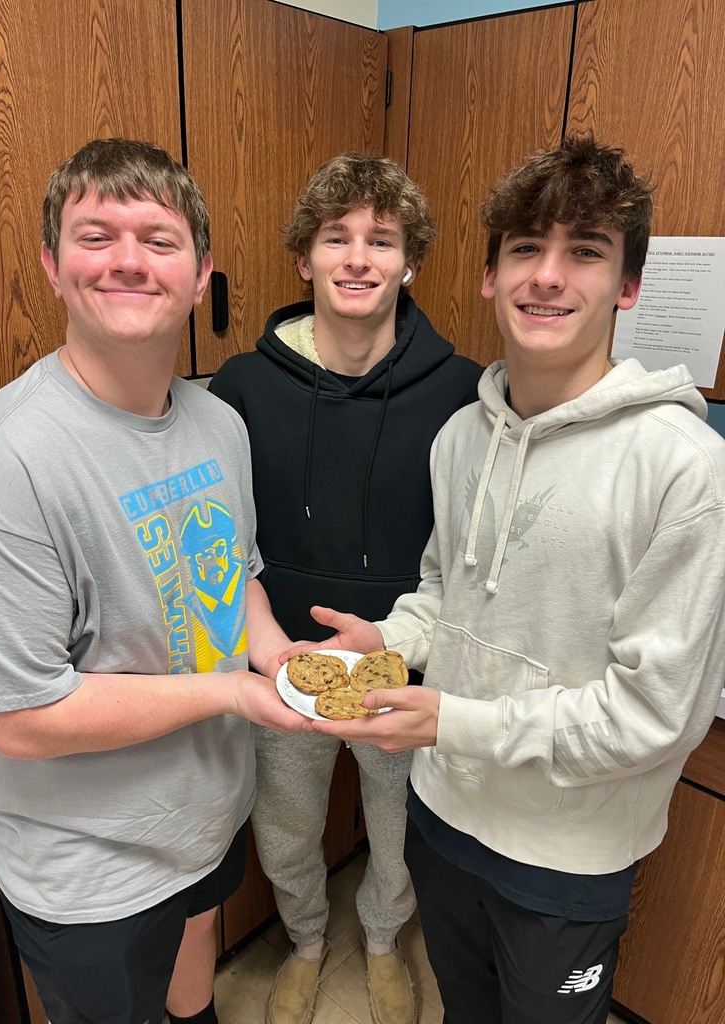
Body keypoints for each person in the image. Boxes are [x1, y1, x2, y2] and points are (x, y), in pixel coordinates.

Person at [283, 135, 725, 1024]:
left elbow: (655, 715)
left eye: (585, 251)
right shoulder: (462, 438)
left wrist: (454, 721)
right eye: (526, 248)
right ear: (490, 275)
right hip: (443, 811)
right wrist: (389, 638)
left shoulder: (684, 468)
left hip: (565, 854)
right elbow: (443, 592)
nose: (548, 277)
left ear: (628, 286)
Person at [0, 138, 311, 1024]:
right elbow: (16, 719)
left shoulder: (219, 425)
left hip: (205, 813)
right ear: (52, 265)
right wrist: (231, 692)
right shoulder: (7, 458)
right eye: (96, 236)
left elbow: (234, 578)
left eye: (159, 239)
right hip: (89, 867)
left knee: (195, 982)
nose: (127, 260)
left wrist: (276, 656)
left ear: (200, 275)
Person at [208, 152, 482, 1024]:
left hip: (401, 662)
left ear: (411, 262)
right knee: (286, 828)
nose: (358, 258)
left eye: (382, 239)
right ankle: (305, 943)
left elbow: (463, 553)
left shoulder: (465, 392)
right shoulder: (242, 387)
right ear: (305, 258)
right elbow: (226, 542)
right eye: (336, 237)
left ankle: (381, 942)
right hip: (281, 660)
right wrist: (264, 650)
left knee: (399, 833)